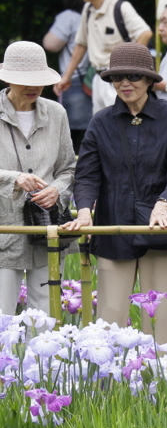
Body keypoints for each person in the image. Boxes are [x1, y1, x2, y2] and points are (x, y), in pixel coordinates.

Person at [64, 43, 167, 346]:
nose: (125, 83)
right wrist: (84, 210)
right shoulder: (101, 121)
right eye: (117, 77)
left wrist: (164, 203)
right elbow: (86, 175)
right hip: (114, 229)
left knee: (160, 322)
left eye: (133, 76)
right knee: (108, 320)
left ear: (149, 80)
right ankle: (111, 389)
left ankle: (160, 387)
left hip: (162, 230)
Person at [0, 42, 77, 317]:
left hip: (46, 227)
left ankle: (40, 364)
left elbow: (68, 168)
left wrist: (56, 190)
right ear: (8, 78)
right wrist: (13, 179)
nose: (33, 87)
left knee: (44, 318)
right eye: (25, 81)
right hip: (3, 231)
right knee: (2, 318)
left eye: (39, 81)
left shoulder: (57, 113)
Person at [54, 0, 152, 115]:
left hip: (119, 79)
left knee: (120, 124)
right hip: (98, 79)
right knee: (101, 126)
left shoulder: (121, 8)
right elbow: (81, 44)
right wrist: (66, 77)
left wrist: (129, 67)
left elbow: (145, 33)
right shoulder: (88, 10)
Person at [42, 0, 91, 150]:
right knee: (90, 132)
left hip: (74, 81)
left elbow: (50, 44)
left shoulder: (69, 17)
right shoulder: (96, 15)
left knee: (70, 134)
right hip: (95, 80)